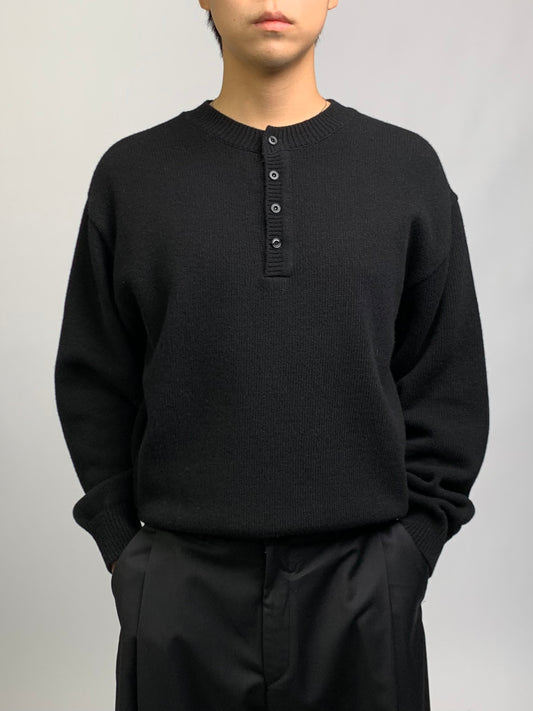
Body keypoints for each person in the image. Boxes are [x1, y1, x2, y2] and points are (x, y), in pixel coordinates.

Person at [54, 1, 490, 709]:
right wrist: (127, 554)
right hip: (180, 592)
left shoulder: (405, 169)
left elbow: (447, 375)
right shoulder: (132, 175)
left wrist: (411, 549)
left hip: (364, 591)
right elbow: (94, 375)